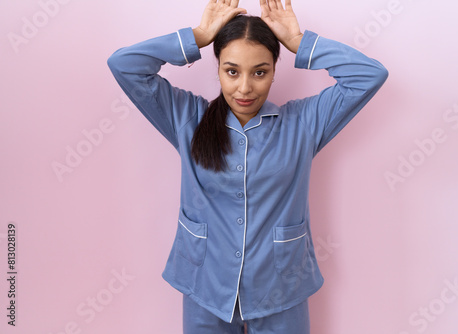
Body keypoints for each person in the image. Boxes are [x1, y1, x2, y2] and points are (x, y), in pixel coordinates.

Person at [107, 0, 388, 333]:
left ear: (273, 70)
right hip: (205, 286)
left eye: (260, 72)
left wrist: (299, 42)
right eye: (232, 70)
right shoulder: (187, 119)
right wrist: (197, 36)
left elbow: (369, 75)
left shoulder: (302, 124)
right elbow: (124, 65)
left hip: (282, 288)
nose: (244, 87)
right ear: (218, 69)